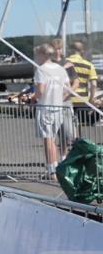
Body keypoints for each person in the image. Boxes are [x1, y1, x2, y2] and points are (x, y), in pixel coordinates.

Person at [32, 43, 73, 176]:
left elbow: (40, 91)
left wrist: (33, 97)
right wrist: (59, 98)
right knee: (53, 139)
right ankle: (55, 168)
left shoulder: (41, 70)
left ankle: (52, 171)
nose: (36, 58)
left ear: (42, 55)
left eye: (37, 55)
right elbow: (68, 88)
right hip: (58, 108)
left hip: (45, 108)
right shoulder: (60, 69)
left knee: (48, 140)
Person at [64, 40, 98, 128]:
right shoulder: (89, 65)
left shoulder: (65, 63)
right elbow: (94, 85)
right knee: (79, 127)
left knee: (67, 127)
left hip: (67, 99)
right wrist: (91, 99)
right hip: (83, 100)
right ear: (82, 51)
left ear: (70, 50)